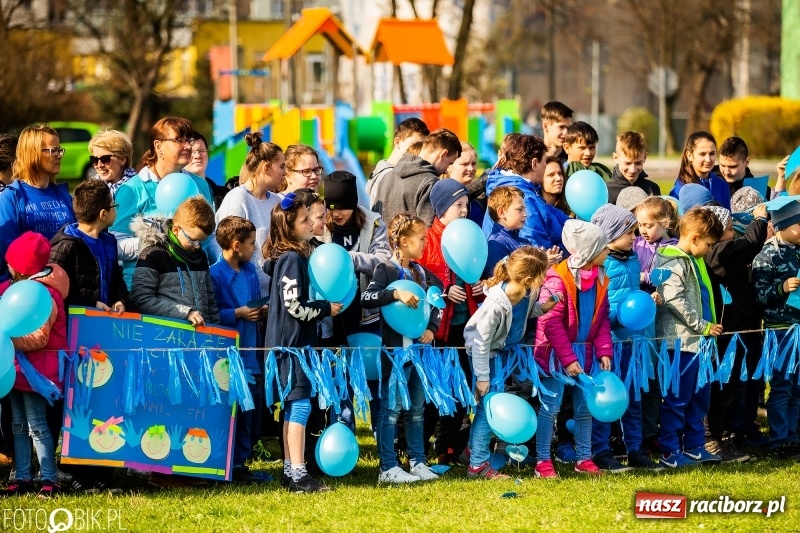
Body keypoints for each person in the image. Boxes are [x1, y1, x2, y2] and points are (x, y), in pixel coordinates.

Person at [262, 190, 341, 493]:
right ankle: (298, 473)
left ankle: (289, 470)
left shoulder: (291, 257)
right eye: (304, 220)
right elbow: (294, 306)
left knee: (294, 407)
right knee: (300, 407)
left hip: (292, 345)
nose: (311, 224)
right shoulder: (293, 259)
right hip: (291, 347)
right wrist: (325, 309)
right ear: (290, 227)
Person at [361, 212, 444, 484]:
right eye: (421, 239)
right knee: (391, 409)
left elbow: (438, 298)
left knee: (417, 409)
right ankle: (387, 467)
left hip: (419, 354)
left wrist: (432, 328)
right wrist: (395, 293)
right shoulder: (385, 269)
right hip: (395, 354)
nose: (425, 243)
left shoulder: (422, 273)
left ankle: (417, 461)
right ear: (404, 241)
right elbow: (367, 297)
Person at [464, 246, 557, 479]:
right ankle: (477, 465)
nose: (545, 277)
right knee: (489, 407)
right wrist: (482, 377)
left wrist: (543, 308)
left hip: (502, 352)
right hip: (485, 355)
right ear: (528, 278)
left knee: (487, 405)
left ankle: (472, 452)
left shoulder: (528, 291)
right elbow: (480, 343)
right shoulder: (495, 304)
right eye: (542, 273)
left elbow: (524, 313)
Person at [533, 220, 613, 478]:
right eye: (603, 247)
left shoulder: (601, 278)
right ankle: (543, 461)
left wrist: (604, 350)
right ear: (589, 251)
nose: (608, 250)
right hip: (555, 354)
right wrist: (567, 359)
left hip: (585, 352)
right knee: (551, 407)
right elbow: (550, 323)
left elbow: (602, 318)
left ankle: (584, 458)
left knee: (584, 408)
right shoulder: (557, 279)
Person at [589, 204, 660, 471]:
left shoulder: (632, 259)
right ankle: (601, 450)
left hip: (632, 341)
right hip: (608, 344)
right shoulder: (602, 263)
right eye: (629, 232)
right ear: (611, 233)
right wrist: (618, 319)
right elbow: (599, 308)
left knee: (633, 397)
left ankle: (635, 449)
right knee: (607, 396)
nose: (635, 237)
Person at [653, 208, 724, 468]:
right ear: (695, 238)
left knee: (699, 397)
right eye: (709, 244)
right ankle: (669, 450)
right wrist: (703, 326)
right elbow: (675, 301)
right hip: (680, 343)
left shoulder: (694, 260)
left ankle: (694, 446)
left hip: (699, 344)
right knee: (677, 398)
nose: (710, 249)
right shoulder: (672, 261)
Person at [418, 178, 482, 463]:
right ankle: (418, 449)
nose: (465, 211)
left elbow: (474, 269)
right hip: (437, 331)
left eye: (466, 205)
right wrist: (444, 291)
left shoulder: (470, 234)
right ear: (441, 209)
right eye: (458, 205)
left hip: (464, 329)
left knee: (460, 388)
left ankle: (448, 448)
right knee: (433, 392)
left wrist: (480, 287)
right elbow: (420, 282)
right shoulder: (428, 240)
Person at [0, 232, 68, 497]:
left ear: (21, 267)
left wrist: (8, 340)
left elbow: (40, 337)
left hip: (38, 372)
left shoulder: (43, 295)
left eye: (10, 262)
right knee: (17, 424)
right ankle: (23, 476)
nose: (7, 266)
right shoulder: (13, 290)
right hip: (15, 369)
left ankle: (49, 478)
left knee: (37, 425)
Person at [110, 117, 215, 289]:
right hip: (147, 289)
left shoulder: (199, 185)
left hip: (191, 288)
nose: (188, 146)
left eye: (188, 140)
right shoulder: (133, 189)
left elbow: (209, 239)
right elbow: (114, 244)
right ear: (158, 146)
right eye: (179, 140)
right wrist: (158, 241)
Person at [703, 204, 767, 463]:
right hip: (723, 333)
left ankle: (723, 436)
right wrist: (760, 220)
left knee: (730, 386)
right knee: (720, 386)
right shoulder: (718, 252)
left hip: (737, 330)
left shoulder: (725, 251)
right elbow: (750, 244)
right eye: (730, 230)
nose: (733, 234)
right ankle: (710, 438)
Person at [210, 216, 267, 483]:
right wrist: (238, 313)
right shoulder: (215, 274)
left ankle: (242, 463)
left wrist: (260, 309)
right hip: (229, 357)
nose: (255, 248)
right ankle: (228, 464)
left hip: (252, 355)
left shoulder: (250, 271)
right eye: (251, 243)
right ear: (236, 245)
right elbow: (212, 315)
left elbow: (253, 303)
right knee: (231, 413)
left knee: (250, 414)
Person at [752, 199, 800, 459]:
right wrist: (782, 288)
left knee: (797, 386)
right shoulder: (766, 256)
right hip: (780, 331)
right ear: (783, 226)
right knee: (782, 386)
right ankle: (779, 438)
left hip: (799, 329)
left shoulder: (798, 250)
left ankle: (793, 435)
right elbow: (759, 297)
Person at [0, 124, 75, 282]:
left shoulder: (65, 196)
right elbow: (6, 254)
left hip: (64, 287)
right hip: (28, 289)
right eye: (53, 151)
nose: (59, 155)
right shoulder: (11, 197)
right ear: (32, 153)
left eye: (59, 150)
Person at [129, 196, 219, 326]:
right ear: (176, 230)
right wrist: (185, 313)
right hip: (165, 334)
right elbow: (141, 299)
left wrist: (215, 329)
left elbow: (210, 302)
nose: (197, 246)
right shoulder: (154, 254)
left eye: (201, 241)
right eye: (193, 240)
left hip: (200, 336)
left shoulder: (201, 257)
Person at [212, 132, 284, 295]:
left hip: (274, 294)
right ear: (266, 168)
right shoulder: (237, 199)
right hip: (246, 298)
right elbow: (224, 251)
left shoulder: (276, 201)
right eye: (281, 166)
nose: (285, 172)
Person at [632, 196, 678, 451]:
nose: (643, 230)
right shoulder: (635, 244)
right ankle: (631, 432)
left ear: (665, 223)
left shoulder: (671, 247)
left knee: (653, 378)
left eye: (649, 225)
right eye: (640, 224)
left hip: (658, 320)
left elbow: (666, 275)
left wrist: (642, 276)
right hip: (635, 319)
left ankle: (650, 432)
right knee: (636, 375)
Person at [49, 179, 128, 313]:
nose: (115, 209)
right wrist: (90, 304)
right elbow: (54, 292)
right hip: (75, 322)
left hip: (105, 319)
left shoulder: (109, 242)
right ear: (103, 214)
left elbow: (116, 279)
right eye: (113, 205)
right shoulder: (66, 246)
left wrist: (119, 299)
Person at [483, 133, 568, 255]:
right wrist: (569, 250)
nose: (545, 167)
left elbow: (551, 213)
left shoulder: (520, 187)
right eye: (544, 162)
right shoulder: (522, 196)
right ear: (534, 164)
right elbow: (539, 250)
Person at [371, 129, 461, 226]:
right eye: (450, 163)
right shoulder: (431, 183)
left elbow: (375, 222)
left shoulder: (387, 177)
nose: (446, 170)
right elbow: (426, 229)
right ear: (443, 154)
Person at [367, 118, 429, 202]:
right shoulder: (389, 176)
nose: (418, 149)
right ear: (397, 142)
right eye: (414, 144)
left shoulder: (383, 172)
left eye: (422, 146)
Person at [669, 131, 731, 209]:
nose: (708, 159)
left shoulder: (722, 185)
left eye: (712, 153)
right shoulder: (680, 189)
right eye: (702, 154)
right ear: (689, 155)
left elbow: (728, 215)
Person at [484, 186, 531, 278]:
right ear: (501, 212)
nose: (525, 214)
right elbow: (498, 281)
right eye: (519, 209)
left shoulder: (524, 241)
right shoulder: (496, 244)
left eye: (524, 209)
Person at [607, 131, 661, 204]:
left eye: (638, 163)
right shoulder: (607, 192)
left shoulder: (653, 189)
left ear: (644, 158)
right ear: (616, 158)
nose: (633, 170)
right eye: (627, 163)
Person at [88, 129, 137, 197]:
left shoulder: (138, 187)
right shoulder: (90, 189)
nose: (99, 165)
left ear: (122, 159)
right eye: (95, 159)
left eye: (105, 159)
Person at [185, 132, 228, 210]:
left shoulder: (225, 195)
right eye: (191, 152)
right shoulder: (175, 193)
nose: (197, 156)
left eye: (202, 151)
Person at [447, 141, 484, 226]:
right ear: (449, 167)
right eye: (465, 164)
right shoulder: (440, 195)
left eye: (473, 163)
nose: (471, 168)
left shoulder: (480, 199)